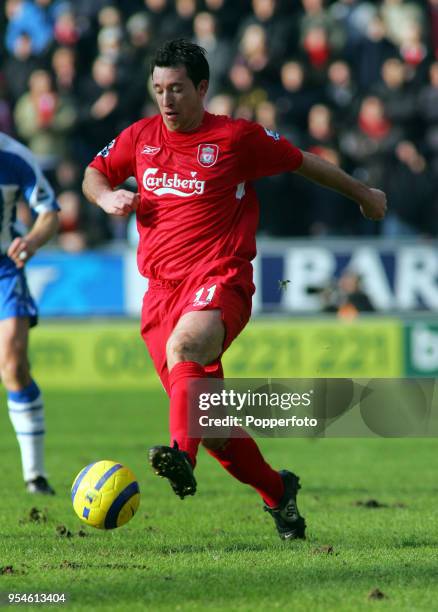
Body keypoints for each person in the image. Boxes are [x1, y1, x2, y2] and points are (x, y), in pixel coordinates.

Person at [82, 39, 387, 540]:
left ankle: (181, 456)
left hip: (219, 278)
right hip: (160, 294)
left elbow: (301, 160)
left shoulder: (234, 138)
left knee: (187, 349)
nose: (167, 100)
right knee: (215, 427)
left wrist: (363, 193)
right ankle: (277, 492)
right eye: (158, 89)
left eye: (177, 89)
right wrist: (106, 197)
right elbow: (96, 172)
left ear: (202, 88)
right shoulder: (140, 137)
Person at [0, 132, 59, 494]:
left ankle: (34, 475)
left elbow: (49, 213)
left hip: (4, 267)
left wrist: (33, 241)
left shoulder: (14, 156)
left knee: (14, 366)